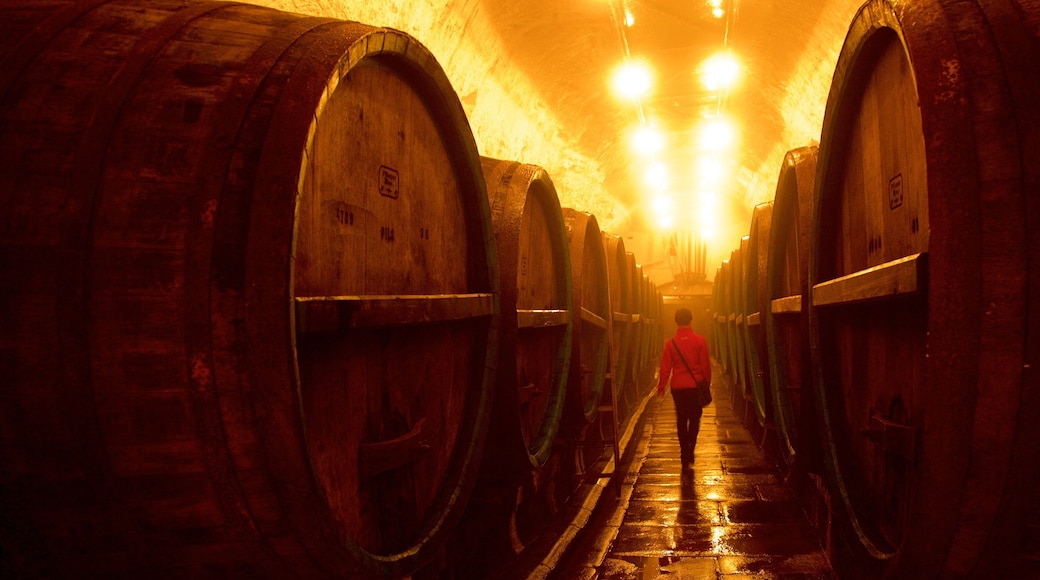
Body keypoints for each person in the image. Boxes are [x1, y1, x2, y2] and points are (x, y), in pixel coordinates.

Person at [656, 307, 711, 470]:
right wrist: (706, 385)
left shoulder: (670, 343)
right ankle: (691, 449)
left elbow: (665, 368)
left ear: (675, 322)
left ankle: (683, 452)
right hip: (695, 387)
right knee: (695, 419)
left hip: (678, 387)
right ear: (691, 320)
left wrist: (661, 386)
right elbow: (705, 367)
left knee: (681, 419)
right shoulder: (700, 341)